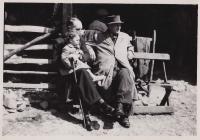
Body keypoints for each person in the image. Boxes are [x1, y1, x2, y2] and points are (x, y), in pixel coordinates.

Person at [58, 17, 115, 131]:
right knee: (84, 76)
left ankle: (87, 117)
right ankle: (100, 104)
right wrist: (70, 59)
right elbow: (58, 61)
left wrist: (80, 56)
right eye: (78, 29)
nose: (81, 31)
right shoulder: (60, 41)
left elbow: (87, 56)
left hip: (80, 71)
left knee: (83, 77)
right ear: (70, 29)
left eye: (81, 29)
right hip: (67, 73)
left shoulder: (81, 39)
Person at [86, 15, 138, 128]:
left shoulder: (125, 36)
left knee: (125, 74)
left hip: (121, 68)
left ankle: (121, 111)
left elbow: (130, 46)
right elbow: (86, 43)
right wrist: (90, 49)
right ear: (109, 26)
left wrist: (130, 52)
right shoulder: (99, 36)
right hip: (106, 72)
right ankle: (123, 115)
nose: (118, 27)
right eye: (115, 25)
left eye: (120, 25)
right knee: (125, 78)